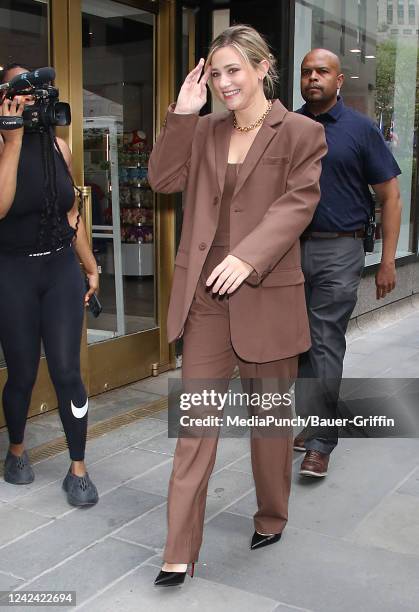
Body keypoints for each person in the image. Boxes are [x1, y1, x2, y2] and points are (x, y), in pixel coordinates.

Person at [147, 25, 327, 587]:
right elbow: (161, 178)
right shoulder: (202, 132)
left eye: (233, 71)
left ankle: (272, 513)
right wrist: (182, 111)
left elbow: (298, 203)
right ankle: (179, 550)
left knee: (270, 424)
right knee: (196, 425)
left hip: (265, 293)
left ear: (261, 67)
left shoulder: (300, 132)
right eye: (216, 72)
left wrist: (249, 258)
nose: (224, 82)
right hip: (205, 296)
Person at [293, 49, 402, 477]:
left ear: (339, 80)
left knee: (323, 340)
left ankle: (321, 440)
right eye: (306, 72)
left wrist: (388, 260)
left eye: (322, 72)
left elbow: (390, 197)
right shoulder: (289, 126)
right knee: (297, 343)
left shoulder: (360, 129)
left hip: (340, 250)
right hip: (289, 251)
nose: (313, 78)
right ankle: (313, 420)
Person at [0, 63, 99, 506]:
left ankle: (77, 467)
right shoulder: (3, 146)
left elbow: (69, 212)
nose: (32, 105)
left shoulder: (60, 149)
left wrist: (90, 265)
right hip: (13, 272)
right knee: (21, 371)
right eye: (22, 96)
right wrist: (13, 140)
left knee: (66, 370)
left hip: (59, 269)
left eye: (37, 97)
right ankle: (16, 450)